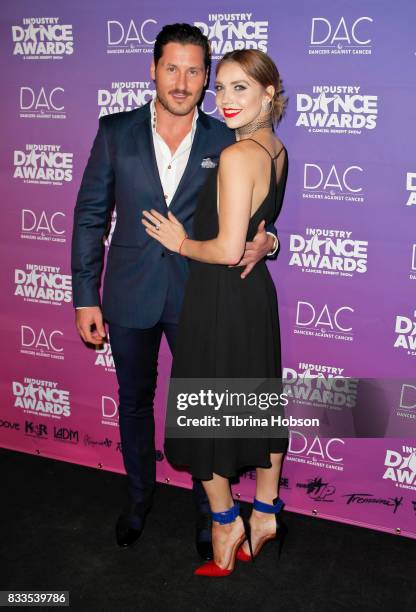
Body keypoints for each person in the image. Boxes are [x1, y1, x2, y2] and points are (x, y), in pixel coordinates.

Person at [71, 24, 279, 559]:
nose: (182, 82)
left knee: (204, 408)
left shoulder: (226, 135)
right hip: (129, 294)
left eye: (194, 70)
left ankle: (211, 515)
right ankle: (139, 499)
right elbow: (91, 217)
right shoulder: (114, 131)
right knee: (135, 403)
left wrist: (270, 239)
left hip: (201, 298)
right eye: (172, 68)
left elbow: (256, 200)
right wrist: (85, 297)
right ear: (153, 70)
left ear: (205, 75)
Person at [142, 48, 289, 577]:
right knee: (254, 403)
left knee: (205, 415)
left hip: (220, 297)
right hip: (255, 298)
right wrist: (267, 240)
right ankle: (267, 512)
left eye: (239, 88)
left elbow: (228, 250)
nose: (224, 99)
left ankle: (227, 521)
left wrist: (182, 242)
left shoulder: (234, 155)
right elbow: (256, 226)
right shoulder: (274, 150)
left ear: (268, 94)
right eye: (220, 87)